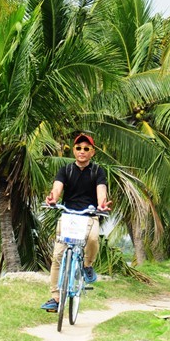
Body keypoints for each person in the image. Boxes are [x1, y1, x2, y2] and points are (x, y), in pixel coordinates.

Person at [40, 132, 112, 312]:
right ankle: (55, 298)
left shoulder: (97, 171)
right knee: (57, 255)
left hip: (89, 215)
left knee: (93, 239)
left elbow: (101, 191)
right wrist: (53, 199)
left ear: (92, 152)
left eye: (86, 148)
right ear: (74, 150)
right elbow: (57, 188)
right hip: (68, 215)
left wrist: (102, 203)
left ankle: (87, 265)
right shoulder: (65, 170)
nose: (82, 151)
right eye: (79, 148)